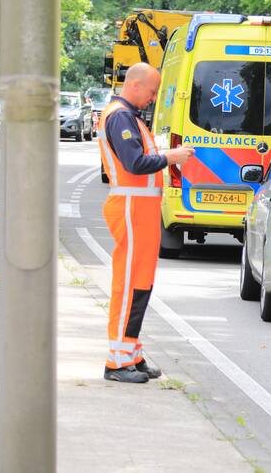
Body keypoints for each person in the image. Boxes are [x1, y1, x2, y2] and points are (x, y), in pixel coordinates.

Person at [99, 63, 194, 383]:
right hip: (130, 208)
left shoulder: (129, 116)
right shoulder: (121, 117)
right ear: (136, 86)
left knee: (140, 282)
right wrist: (172, 157)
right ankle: (117, 362)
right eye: (152, 91)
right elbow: (135, 163)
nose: (153, 98)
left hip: (140, 209)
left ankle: (130, 353)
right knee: (128, 285)